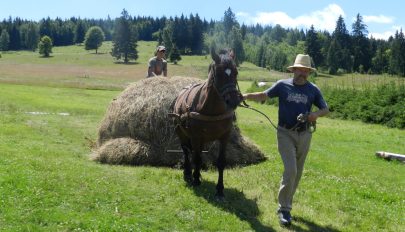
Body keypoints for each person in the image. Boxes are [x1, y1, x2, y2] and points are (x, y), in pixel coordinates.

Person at [243, 54, 329, 227]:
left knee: (297, 172)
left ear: (309, 72)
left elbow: (325, 109)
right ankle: (284, 209)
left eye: (306, 70)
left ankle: (287, 203)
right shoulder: (283, 85)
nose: (302, 73)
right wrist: (245, 96)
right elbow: (264, 95)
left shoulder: (313, 89)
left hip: (305, 134)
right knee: (290, 170)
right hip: (285, 133)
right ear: (293, 70)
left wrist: (314, 115)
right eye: (300, 70)